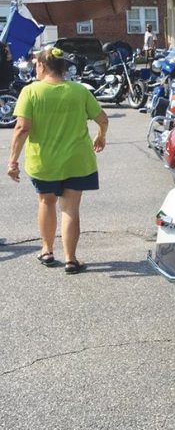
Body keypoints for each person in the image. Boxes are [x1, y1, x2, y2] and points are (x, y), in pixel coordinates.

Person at [6, 45, 108, 273]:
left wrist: (12, 161)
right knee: (70, 209)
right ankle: (71, 259)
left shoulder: (31, 92)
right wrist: (101, 136)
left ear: (41, 66)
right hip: (77, 161)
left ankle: (47, 250)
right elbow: (102, 118)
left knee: (46, 202)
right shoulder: (79, 91)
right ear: (62, 68)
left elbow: (22, 128)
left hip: (45, 163)